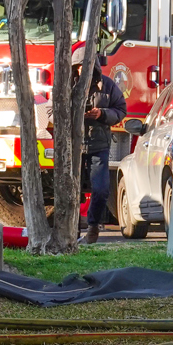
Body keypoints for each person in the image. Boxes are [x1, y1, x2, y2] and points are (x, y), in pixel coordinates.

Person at [75, 46, 127, 245]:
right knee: (71, 190)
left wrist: (102, 114)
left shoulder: (108, 85)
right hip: (73, 147)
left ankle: (93, 227)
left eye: (87, 66)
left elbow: (121, 110)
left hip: (99, 145)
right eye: (80, 66)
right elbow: (54, 110)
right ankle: (71, 231)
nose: (83, 70)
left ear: (94, 67)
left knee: (101, 189)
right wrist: (75, 113)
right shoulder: (67, 84)